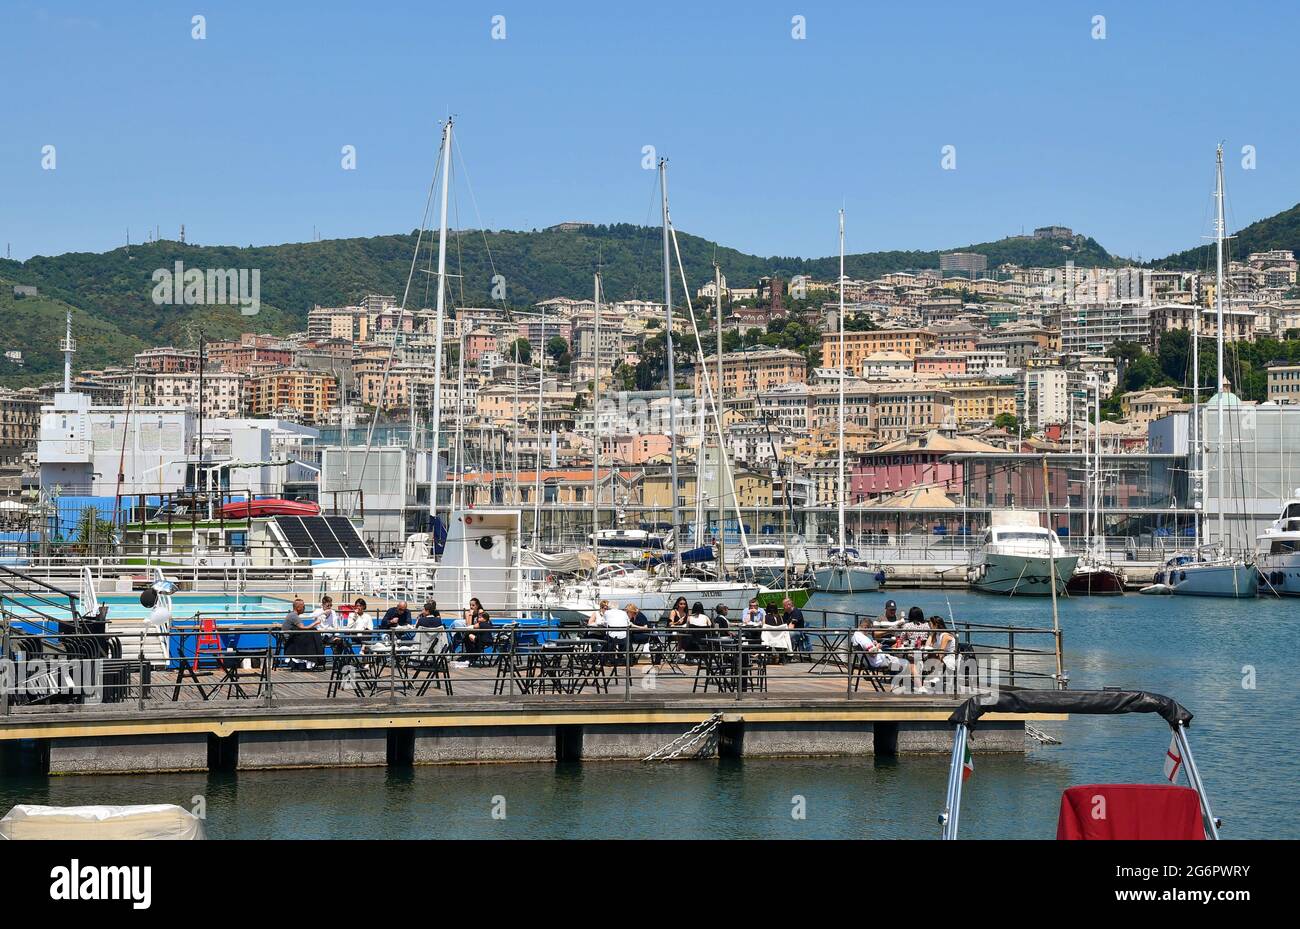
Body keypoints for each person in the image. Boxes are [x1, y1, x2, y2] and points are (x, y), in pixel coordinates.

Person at [281, 598, 324, 670]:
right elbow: (303, 628)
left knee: (313, 634)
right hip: (290, 640)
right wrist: (315, 623)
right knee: (313, 637)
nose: (304, 608)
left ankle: (311, 662)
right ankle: (314, 660)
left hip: (292, 637)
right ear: (298, 608)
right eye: (303, 606)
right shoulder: (294, 616)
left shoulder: (292, 615)